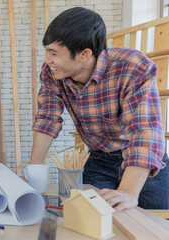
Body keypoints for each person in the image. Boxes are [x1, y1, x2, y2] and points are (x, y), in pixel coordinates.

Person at [29, 7, 168, 211]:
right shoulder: (52, 72)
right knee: (90, 217)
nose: (46, 60)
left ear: (84, 54)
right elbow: (47, 118)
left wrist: (128, 192)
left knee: (152, 224)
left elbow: (144, 132)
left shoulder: (132, 66)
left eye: (54, 53)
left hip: (143, 163)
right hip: (99, 157)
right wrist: (33, 173)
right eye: (47, 51)